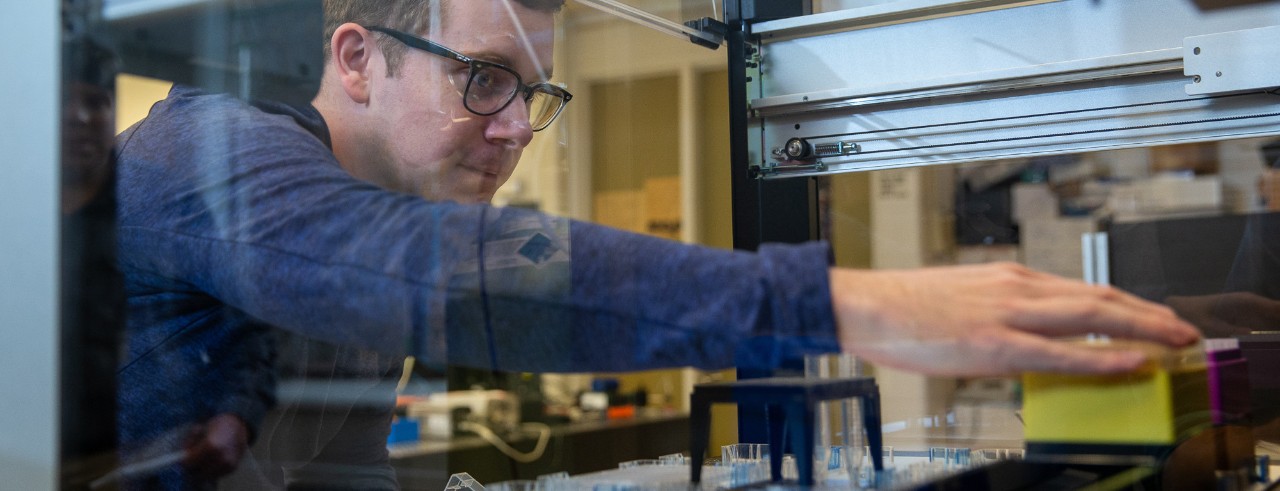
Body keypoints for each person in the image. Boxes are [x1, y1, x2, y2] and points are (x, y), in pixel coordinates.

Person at [112, 0, 1200, 489]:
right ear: (357, 59)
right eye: (483, 77)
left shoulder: (379, 234)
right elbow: (413, 271)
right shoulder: (203, 163)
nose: (510, 129)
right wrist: (845, 300)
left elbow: (341, 467)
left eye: (532, 93)